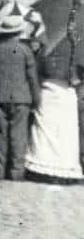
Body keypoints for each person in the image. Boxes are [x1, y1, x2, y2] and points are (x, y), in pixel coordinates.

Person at [0, 14, 41, 181]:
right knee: (19, 136)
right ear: (18, 32)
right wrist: (36, 99)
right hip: (21, 98)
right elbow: (32, 78)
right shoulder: (26, 51)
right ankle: (16, 171)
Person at [25, 47, 84, 183]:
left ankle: (40, 166)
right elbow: (75, 80)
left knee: (45, 132)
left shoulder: (43, 52)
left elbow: (36, 74)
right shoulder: (73, 53)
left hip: (46, 92)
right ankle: (63, 167)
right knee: (64, 134)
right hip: (64, 94)